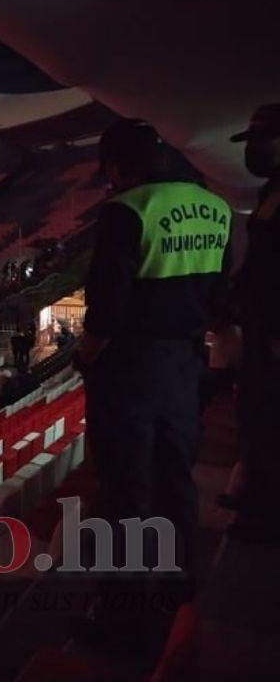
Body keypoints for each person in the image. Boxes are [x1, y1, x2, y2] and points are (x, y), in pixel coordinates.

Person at [76, 119, 231, 613]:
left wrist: (89, 355)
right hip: (186, 364)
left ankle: (127, 613)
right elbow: (220, 297)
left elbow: (105, 308)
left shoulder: (125, 210)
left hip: (131, 369)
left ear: (117, 167)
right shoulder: (216, 209)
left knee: (126, 489)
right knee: (175, 478)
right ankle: (180, 589)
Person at [227, 104, 280, 542]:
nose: (256, 152)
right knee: (255, 413)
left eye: (264, 140)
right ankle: (256, 497)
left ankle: (267, 511)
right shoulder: (270, 192)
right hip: (260, 325)